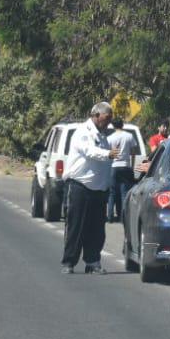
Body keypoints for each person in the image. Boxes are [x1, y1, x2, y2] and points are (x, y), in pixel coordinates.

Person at [61, 102, 114, 274]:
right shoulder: (83, 132)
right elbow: (89, 151)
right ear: (96, 115)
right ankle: (69, 263)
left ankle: (93, 262)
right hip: (79, 186)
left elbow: (105, 164)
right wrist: (107, 154)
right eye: (106, 118)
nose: (108, 122)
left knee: (97, 229)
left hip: (99, 190)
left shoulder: (103, 136)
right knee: (76, 226)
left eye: (110, 119)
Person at [106, 116, 137, 221]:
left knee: (112, 193)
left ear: (113, 126)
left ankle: (109, 216)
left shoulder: (109, 138)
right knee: (124, 193)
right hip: (125, 166)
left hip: (114, 167)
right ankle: (123, 217)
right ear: (122, 125)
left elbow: (108, 154)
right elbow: (133, 152)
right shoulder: (129, 136)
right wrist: (131, 166)